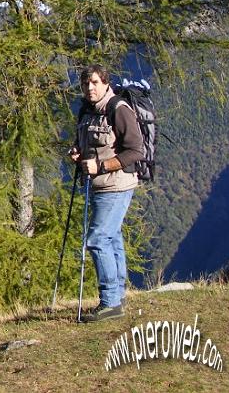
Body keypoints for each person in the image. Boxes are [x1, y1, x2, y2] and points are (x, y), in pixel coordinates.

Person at [69, 63, 145, 323]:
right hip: (99, 186)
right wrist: (78, 154)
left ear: (105, 83)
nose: (90, 88)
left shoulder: (118, 109)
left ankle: (111, 303)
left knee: (97, 240)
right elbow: (88, 144)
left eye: (95, 83)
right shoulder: (87, 112)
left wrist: (100, 166)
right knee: (111, 238)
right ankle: (118, 295)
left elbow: (136, 151)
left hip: (117, 184)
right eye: (86, 84)